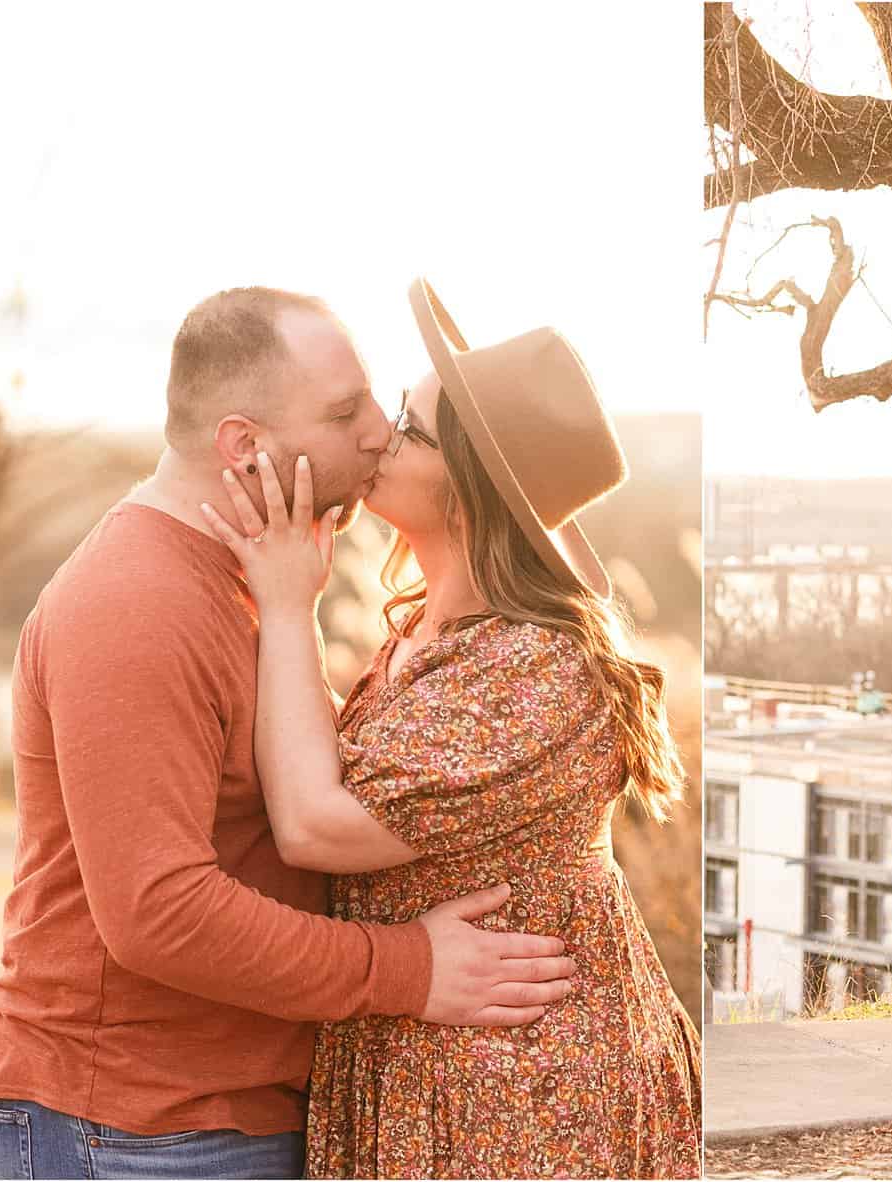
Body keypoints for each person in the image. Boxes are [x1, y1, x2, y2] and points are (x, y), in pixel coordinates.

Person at [0, 287, 575, 1181]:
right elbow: (157, 913)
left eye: (375, 401)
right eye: (343, 412)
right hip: (134, 1125)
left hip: (203, 1114)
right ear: (243, 445)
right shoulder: (137, 604)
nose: (378, 433)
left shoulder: (255, 579)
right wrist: (408, 969)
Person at [198, 278, 702, 1178]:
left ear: (469, 495)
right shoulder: (427, 629)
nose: (382, 436)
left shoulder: (533, 669)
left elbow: (315, 824)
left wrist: (285, 607)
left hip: (523, 1089)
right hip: (439, 1063)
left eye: (414, 430)